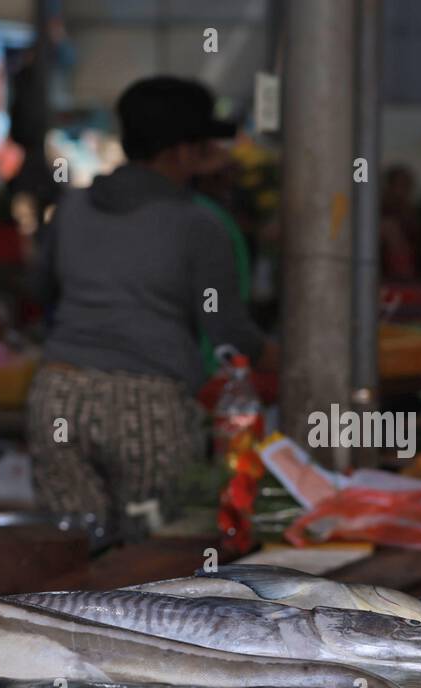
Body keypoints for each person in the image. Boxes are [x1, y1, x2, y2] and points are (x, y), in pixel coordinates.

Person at [28, 76, 271, 542]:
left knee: (75, 556)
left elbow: (41, 291)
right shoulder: (199, 223)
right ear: (182, 152)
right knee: (153, 565)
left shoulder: (72, 207)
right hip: (148, 405)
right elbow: (228, 334)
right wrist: (285, 358)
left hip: (57, 394)